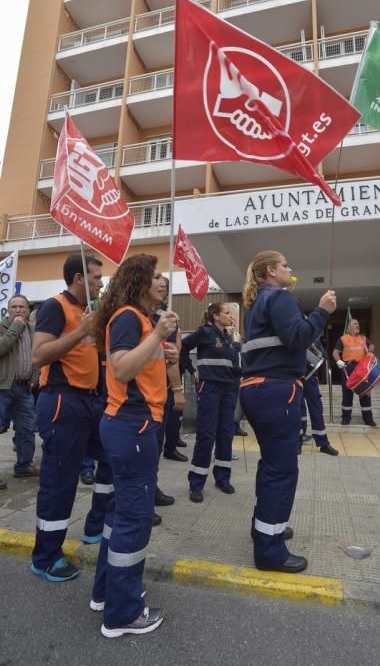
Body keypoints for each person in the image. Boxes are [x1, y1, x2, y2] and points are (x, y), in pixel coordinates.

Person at [90, 253, 178, 638]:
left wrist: (163, 352)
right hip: (133, 425)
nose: (162, 282)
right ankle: (122, 613)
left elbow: (138, 366)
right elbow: (123, 367)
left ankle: (108, 594)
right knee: (133, 519)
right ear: (139, 281)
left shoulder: (139, 319)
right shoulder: (129, 316)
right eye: (156, 276)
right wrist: (158, 337)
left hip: (130, 424)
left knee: (119, 515)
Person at [240, 251, 336, 573]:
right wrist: (322, 312)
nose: (290, 270)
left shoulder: (254, 305)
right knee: (281, 470)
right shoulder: (278, 296)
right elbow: (297, 339)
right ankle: (270, 550)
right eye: (285, 266)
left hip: (257, 389)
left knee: (271, 464)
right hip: (276, 391)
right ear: (270, 271)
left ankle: (265, 527)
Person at [31, 253, 112, 580]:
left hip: (91, 403)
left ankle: (95, 526)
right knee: (59, 482)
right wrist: (80, 332)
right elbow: (39, 356)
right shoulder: (56, 307)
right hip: (63, 401)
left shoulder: (87, 312)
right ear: (79, 278)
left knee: (111, 461)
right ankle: (46, 558)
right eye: (95, 277)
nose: (101, 282)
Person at [181, 303, 238, 503]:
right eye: (227, 313)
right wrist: (191, 369)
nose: (231, 316)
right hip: (210, 389)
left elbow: (232, 365)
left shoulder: (229, 338)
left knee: (226, 434)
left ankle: (222, 478)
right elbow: (183, 347)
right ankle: (196, 483)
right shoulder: (205, 332)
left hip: (228, 389)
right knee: (206, 435)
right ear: (215, 316)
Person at [151, 276, 187, 527]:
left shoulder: (167, 320)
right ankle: (142, 497)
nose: (162, 286)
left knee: (156, 445)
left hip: (159, 392)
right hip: (139, 395)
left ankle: (150, 490)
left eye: (165, 284)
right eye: (156, 281)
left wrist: (175, 389)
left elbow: (172, 358)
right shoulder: (134, 317)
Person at [0, 295, 38, 478]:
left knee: (26, 429)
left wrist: (35, 378)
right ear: (8, 310)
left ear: (28, 310)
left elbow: (38, 355)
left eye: (21, 307)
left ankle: (24, 466)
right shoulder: (2, 326)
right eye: (14, 306)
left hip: (25, 388)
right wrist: (15, 327)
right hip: (3, 388)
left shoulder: (33, 329)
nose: (17, 310)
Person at [332, 318, 376, 427]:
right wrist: (339, 361)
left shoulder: (363, 338)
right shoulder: (343, 339)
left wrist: (370, 351)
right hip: (349, 367)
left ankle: (368, 419)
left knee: (365, 393)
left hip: (362, 368)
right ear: (349, 328)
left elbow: (372, 345)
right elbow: (335, 352)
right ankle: (346, 418)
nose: (357, 325)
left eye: (358, 324)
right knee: (347, 394)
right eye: (355, 324)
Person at [300, 343, 339, 456]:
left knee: (316, 409)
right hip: (296, 374)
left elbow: (322, 355)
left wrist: (313, 347)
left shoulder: (313, 335)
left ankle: (323, 443)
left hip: (310, 375)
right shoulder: (291, 330)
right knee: (298, 410)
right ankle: (297, 443)